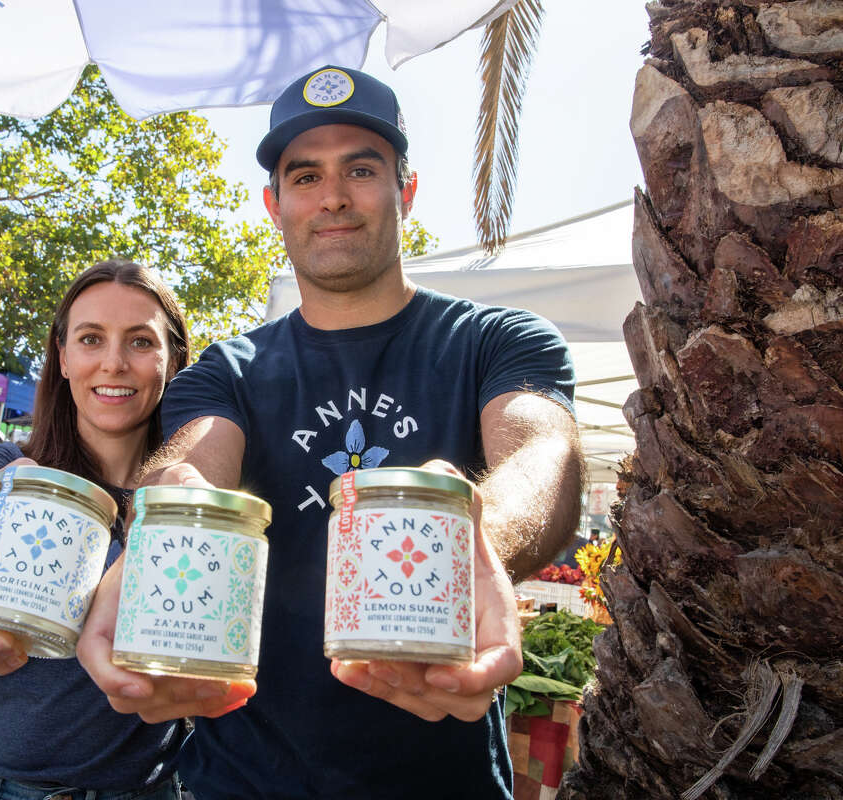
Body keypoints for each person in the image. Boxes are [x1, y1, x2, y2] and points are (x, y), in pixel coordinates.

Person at [70, 66, 585, 797]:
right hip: (240, 780)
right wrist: (166, 517)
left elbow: (543, 451)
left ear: (406, 191)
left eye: (362, 169)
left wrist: (471, 533)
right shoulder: (228, 370)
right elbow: (195, 461)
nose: (334, 196)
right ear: (272, 204)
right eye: (305, 175)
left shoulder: (497, 340)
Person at [0, 261, 189, 800]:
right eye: (91, 339)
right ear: (62, 357)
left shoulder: (187, 507)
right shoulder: (3, 464)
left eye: (140, 341)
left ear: (173, 359)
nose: (113, 363)